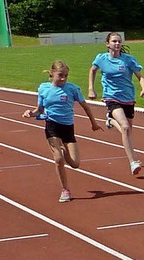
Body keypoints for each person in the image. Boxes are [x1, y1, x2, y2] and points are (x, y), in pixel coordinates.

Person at [23, 60, 102, 203]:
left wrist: (94, 124)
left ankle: (65, 153)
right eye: (60, 75)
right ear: (52, 74)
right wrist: (30, 113)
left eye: (66, 75)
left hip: (68, 128)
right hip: (52, 126)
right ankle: (65, 190)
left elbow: (86, 107)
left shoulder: (72, 89)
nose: (63, 79)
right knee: (58, 159)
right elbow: (39, 110)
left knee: (75, 164)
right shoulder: (43, 89)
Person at [88, 32, 144, 175]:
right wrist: (91, 88)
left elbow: (140, 77)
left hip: (128, 98)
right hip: (111, 97)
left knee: (127, 132)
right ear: (107, 44)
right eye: (114, 41)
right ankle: (133, 162)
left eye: (119, 41)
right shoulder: (101, 59)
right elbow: (92, 71)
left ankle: (110, 121)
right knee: (126, 127)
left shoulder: (128, 60)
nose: (117, 44)